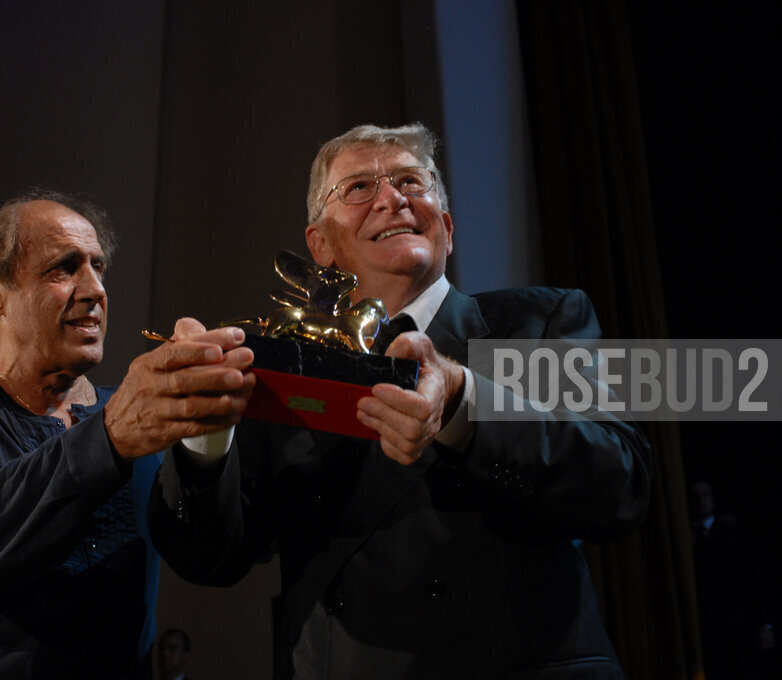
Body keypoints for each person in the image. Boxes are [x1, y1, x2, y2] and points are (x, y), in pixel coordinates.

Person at [149, 124, 652, 678]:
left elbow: (619, 485)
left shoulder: (533, 325)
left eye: (412, 181)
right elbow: (208, 559)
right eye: (360, 188)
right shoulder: (278, 366)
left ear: (448, 227)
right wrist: (203, 434)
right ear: (320, 245)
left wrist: (462, 399)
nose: (393, 198)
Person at [0, 190, 253, 679]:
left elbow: (208, 563)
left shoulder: (141, 413)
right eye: (64, 268)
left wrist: (207, 439)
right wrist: (108, 438)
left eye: (98, 267)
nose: (95, 289)